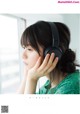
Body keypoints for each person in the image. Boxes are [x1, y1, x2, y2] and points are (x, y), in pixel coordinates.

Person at [17, 20, 80, 94]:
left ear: (52, 52)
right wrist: (27, 76)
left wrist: (32, 79)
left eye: (30, 49)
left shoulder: (70, 88)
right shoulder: (49, 85)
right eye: (24, 48)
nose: (23, 56)